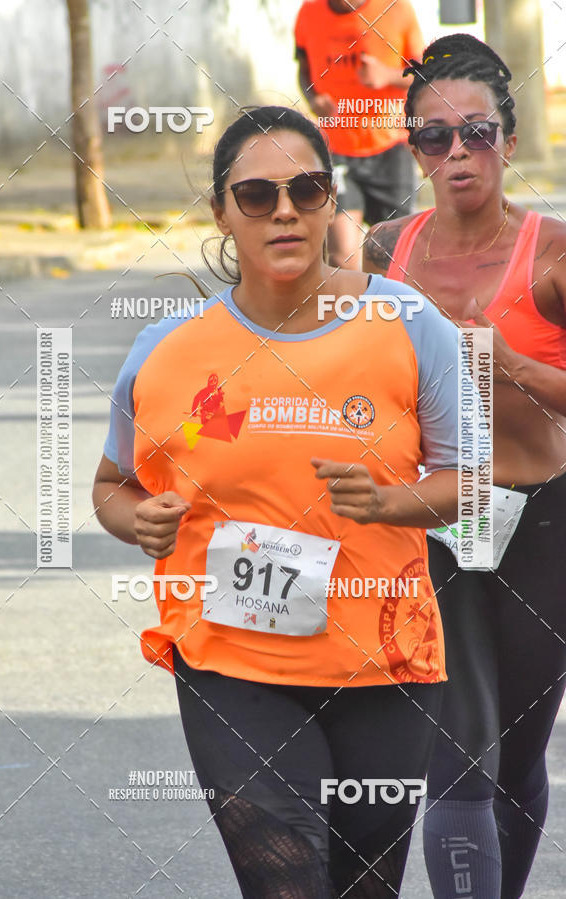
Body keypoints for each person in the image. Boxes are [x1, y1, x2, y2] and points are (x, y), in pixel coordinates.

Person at [93, 105, 465, 898]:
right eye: (257, 195)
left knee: (363, 887)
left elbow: (466, 479)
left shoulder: (407, 323)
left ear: (332, 201)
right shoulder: (165, 350)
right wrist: (137, 520)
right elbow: (112, 485)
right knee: (285, 882)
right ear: (222, 212)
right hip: (230, 660)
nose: (285, 210)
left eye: (307, 189)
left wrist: (389, 502)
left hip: (383, 663)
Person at [362, 33, 566, 899]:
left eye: (477, 133)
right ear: (414, 149)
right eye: (435, 136)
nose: (457, 153)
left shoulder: (552, 255)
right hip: (435, 524)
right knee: (459, 752)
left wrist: (512, 367)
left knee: (516, 753)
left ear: (508, 142)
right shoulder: (382, 251)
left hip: (542, 522)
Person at [294, 0, 423, 269]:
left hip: (390, 148)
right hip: (336, 151)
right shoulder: (309, 12)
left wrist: (387, 75)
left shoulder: (396, 9)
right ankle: (351, 299)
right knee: (343, 256)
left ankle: (383, 298)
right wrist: (313, 98)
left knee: (392, 256)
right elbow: (304, 70)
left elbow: (423, 75)